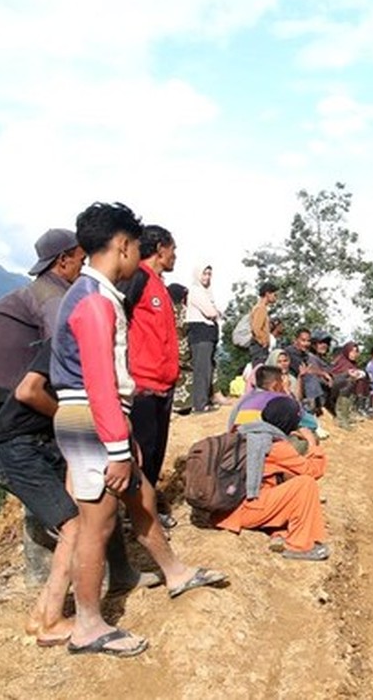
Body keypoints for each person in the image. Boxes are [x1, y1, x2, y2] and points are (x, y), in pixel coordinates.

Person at [52, 202, 226, 658]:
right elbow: (99, 381)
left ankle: (175, 572)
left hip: (101, 416)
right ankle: (88, 625)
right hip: (90, 415)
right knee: (98, 522)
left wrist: (123, 437)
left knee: (142, 495)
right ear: (124, 245)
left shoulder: (100, 294)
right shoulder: (93, 302)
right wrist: (115, 446)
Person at [0, 340, 152, 647]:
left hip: (47, 444)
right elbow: (28, 391)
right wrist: (68, 417)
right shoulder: (68, 340)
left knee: (80, 518)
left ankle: (41, 614)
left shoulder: (93, 349)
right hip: (17, 448)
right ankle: (51, 622)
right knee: (73, 526)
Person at [0, 228, 86, 415]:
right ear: (63, 260)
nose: (83, 269)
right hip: (4, 386)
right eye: (82, 261)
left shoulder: (39, 289)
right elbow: (63, 344)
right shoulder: (52, 295)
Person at [213, 396, 330, 561]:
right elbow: (312, 471)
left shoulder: (244, 431)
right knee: (305, 484)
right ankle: (299, 547)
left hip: (224, 506)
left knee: (279, 486)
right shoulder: (275, 446)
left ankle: (279, 532)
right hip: (241, 511)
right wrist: (313, 445)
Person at [122, 225, 181, 528]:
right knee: (142, 453)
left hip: (164, 385)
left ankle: (148, 511)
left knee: (156, 452)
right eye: (173, 249)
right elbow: (119, 318)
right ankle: (137, 516)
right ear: (160, 248)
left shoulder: (160, 285)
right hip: (143, 385)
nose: (175, 255)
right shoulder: (139, 277)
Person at [185, 264, 221, 413]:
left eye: (209, 274)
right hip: (201, 334)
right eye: (204, 274)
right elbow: (210, 312)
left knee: (207, 369)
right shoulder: (196, 291)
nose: (206, 277)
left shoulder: (206, 292)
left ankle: (204, 401)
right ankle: (200, 404)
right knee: (202, 369)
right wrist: (216, 313)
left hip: (207, 334)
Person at [168, 283, 193, 415]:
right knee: (189, 375)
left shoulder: (166, 309)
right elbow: (187, 327)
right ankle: (187, 404)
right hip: (184, 346)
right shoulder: (184, 310)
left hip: (170, 348)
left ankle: (176, 404)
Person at [329, 341, 365, 429]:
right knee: (348, 384)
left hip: (344, 387)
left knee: (353, 383)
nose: (354, 354)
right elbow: (334, 375)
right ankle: (341, 419)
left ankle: (347, 414)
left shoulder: (351, 363)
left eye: (356, 351)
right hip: (335, 388)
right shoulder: (341, 361)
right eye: (352, 351)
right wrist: (347, 374)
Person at [248, 282, 278, 367]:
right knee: (261, 373)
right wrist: (263, 342)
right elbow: (256, 328)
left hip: (259, 347)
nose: (275, 298)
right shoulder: (260, 308)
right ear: (267, 294)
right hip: (259, 348)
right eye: (274, 295)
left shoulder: (261, 307)